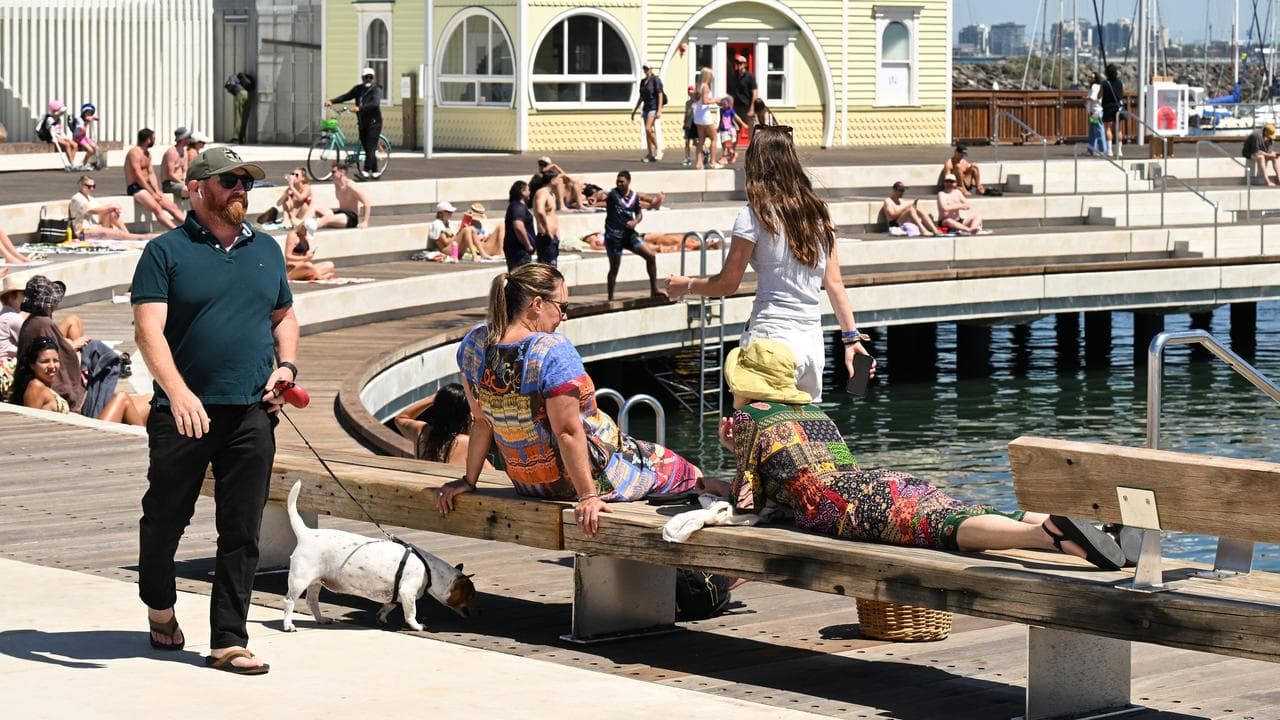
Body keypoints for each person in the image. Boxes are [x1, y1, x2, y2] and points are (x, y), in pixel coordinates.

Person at [716, 339, 1126, 571]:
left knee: (943, 528)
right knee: (955, 507)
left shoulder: (749, 418)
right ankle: (1082, 530)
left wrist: (733, 451)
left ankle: (1044, 535)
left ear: (746, 384)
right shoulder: (814, 411)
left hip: (839, 507)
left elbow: (748, 503)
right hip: (873, 482)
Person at [131, 146, 298, 674]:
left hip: (252, 411)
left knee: (242, 529)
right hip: (183, 412)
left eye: (246, 182)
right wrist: (178, 393)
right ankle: (160, 607)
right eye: (229, 181)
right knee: (165, 520)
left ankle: (229, 638)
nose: (241, 190)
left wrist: (286, 367)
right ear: (198, 188)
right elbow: (148, 331)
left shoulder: (267, 249)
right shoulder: (165, 252)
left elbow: (284, 314)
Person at [436, 263, 704, 538]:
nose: (564, 317)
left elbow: (481, 422)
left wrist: (469, 481)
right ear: (537, 304)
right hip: (597, 474)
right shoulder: (552, 350)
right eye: (562, 307)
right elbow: (567, 431)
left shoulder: (475, 344)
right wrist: (588, 495)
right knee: (687, 473)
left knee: (668, 464)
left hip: (528, 482)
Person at [664, 125, 872, 402]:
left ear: (755, 164)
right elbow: (834, 284)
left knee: (750, 433)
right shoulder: (819, 213)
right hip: (811, 345)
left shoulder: (753, 216)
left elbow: (727, 283)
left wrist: (686, 285)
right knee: (800, 437)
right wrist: (851, 339)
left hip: (771, 342)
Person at [8, 337, 150, 425]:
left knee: (143, 401)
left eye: (56, 361)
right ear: (32, 365)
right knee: (122, 398)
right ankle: (143, 437)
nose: (52, 366)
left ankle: (143, 434)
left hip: (81, 426)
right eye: (45, 361)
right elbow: (32, 426)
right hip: (89, 435)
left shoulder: (43, 385)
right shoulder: (35, 388)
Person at [393, 383, 492, 467]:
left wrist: (433, 399)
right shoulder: (466, 444)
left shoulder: (422, 432)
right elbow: (494, 475)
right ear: (462, 415)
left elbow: (400, 418)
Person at [604, 170, 659, 300]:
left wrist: (635, 221)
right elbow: (601, 195)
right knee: (614, 268)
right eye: (618, 181)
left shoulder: (634, 196)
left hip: (629, 235)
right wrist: (595, 198)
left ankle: (654, 289)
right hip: (614, 236)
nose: (619, 184)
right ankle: (610, 297)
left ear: (628, 182)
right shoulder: (613, 194)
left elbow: (639, 213)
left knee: (650, 256)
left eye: (622, 181)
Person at [326, 68, 383, 177]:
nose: (368, 79)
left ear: (373, 78)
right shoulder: (358, 89)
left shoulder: (376, 89)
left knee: (371, 147)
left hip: (374, 122)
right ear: (362, 78)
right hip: (362, 122)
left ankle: (365, 172)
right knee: (367, 147)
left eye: (370, 77)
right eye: (366, 77)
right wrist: (332, 101)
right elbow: (346, 96)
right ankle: (375, 171)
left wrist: (360, 108)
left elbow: (375, 103)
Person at [124, 128, 185, 229]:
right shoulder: (134, 153)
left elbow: (151, 173)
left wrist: (156, 190)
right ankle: (175, 231)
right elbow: (137, 175)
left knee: (172, 207)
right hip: (136, 188)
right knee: (157, 208)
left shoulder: (147, 154)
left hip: (148, 186)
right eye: (153, 138)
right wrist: (152, 193)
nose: (154, 140)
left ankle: (192, 228)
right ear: (148, 139)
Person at [70, 175, 151, 241]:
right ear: (81, 185)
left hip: (97, 226)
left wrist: (112, 209)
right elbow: (92, 211)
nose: (91, 189)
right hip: (84, 232)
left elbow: (101, 212)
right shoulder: (77, 198)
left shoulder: (91, 199)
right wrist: (110, 206)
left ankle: (127, 233)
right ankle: (135, 237)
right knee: (117, 233)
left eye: (93, 186)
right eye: (88, 186)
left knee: (112, 212)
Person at [313, 164, 372, 229]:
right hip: (340, 213)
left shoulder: (351, 186)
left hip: (350, 217)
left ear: (342, 172)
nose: (331, 174)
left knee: (327, 219)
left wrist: (365, 222)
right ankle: (302, 223)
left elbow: (367, 203)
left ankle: (307, 229)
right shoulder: (337, 185)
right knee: (314, 207)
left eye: (333, 172)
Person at [631, 64, 664, 162]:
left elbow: (660, 94)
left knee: (648, 128)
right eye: (644, 68)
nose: (645, 70)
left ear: (651, 68)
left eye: (647, 68)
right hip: (646, 108)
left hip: (653, 107)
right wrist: (635, 110)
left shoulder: (655, 80)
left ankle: (658, 148)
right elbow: (641, 97)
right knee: (647, 131)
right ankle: (650, 154)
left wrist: (659, 110)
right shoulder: (642, 82)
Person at [693, 68, 722, 169]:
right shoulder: (705, 86)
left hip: (698, 115)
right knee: (714, 138)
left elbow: (699, 100)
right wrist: (715, 100)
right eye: (710, 75)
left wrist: (711, 100)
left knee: (701, 140)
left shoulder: (699, 86)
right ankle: (712, 162)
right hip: (705, 116)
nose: (712, 77)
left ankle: (698, 163)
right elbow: (705, 101)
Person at [504, 181, 536, 270]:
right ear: (522, 191)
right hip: (519, 251)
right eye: (528, 190)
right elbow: (518, 226)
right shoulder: (518, 207)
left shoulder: (516, 206)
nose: (530, 192)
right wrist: (528, 245)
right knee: (521, 278)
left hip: (517, 251)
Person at [532, 176, 561, 266]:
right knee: (547, 269)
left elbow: (553, 214)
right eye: (558, 179)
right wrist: (548, 230)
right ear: (552, 180)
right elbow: (540, 211)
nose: (560, 182)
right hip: (546, 236)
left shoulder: (551, 194)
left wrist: (557, 233)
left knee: (553, 268)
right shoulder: (542, 193)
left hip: (553, 237)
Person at [41, 101, 78, 168]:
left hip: (60, 136)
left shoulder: (59, 119)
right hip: (53, 137)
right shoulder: (50, 119)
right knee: (67, 145)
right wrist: (58, 138)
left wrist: (66, 138)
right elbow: (51, 132)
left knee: (75, 145)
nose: (62, 114)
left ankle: (72, 161)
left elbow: (61, 131)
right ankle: (72, 163)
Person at [730, 54, 759, 134]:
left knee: (751, 130)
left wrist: (752, 108)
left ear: (745, 64)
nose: (738, 64)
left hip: (747, 106)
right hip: (736, 107)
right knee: (734, 131)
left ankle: (752, 146)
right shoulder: (734, 75)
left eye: (740, 63)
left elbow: (755, 93)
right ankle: (733, 147)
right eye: (737, 63)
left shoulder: (750, 76)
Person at [68, 103, 102, 171]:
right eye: (87, 112)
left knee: (95, 147)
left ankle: (85, 162)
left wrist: (93, 117)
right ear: (83, 113)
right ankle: (83, 163)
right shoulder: (79, 119)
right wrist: (85, 123)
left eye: (90, 113)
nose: (88, 114)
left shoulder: (89, 117)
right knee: (90, 150)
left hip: (84, 137)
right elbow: (81, 128)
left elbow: (98, 118)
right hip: (78, 137)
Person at [1101, 64, 1125, 158]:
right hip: (1118, 107)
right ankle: (1119, 151)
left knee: (1108, 128)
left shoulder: (1105, 83)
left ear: (1107, 73)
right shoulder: (1120, 82)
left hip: (1107, 107)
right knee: (1118, 129)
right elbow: (1123, 93)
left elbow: (1100, 95)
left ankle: (1110, 150)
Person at [160, 127, 192, 197]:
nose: (190, 139)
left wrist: (186, 182)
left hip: (181, 183)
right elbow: (170, 174)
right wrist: (183, 183)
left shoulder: (185, 152)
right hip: (170, 184)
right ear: (183, 138)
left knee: (197, 189)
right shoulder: (171, 152)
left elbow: (185, 171)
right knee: (189, 191)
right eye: (189, 137)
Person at [224, 72, 253, 144]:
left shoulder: (231, 77)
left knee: (238, 117)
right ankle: (241, 138)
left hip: (240, 94)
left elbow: (231, 84)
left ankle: (236, 138)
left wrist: (228, 86)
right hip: (248, 95)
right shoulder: (242, 80)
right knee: (244, 118)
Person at [1086, 72, 1109, 157]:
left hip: (1096, 112)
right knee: (1092, 131)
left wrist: (1085, 98)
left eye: (1091, 77)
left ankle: (1102, 150)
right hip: (1094, 112)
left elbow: (1093, 98)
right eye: (1089, 77)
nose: (1089, 79)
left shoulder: (1095, 86)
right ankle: (1091, 150)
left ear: (1095, 79)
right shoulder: (1097, 86)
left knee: (1099, 131)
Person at [717, 96, 745, 164]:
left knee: (725, 145)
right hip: (723, 129)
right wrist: (718, 127)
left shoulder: (730, 111)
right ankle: (732, 155)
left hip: (728, 130)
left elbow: (736, 117)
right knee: (725, 144)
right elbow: (720, 119)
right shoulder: (721, 110)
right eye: (723, 104)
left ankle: (725, 158)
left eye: (725, 104)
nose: (724, 105)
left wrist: (742, 123)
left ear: (729, 104)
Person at [681, 85, 698, 166]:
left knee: (696, 142)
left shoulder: (698, 102)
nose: (691, 94)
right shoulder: (687, 103)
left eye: (692, 93)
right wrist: (684, 123)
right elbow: (686, 113)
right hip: (688, 124)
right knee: (687, 141)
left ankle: (703, 153)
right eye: (689, 93)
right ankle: (687, 157)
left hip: (695, 125)